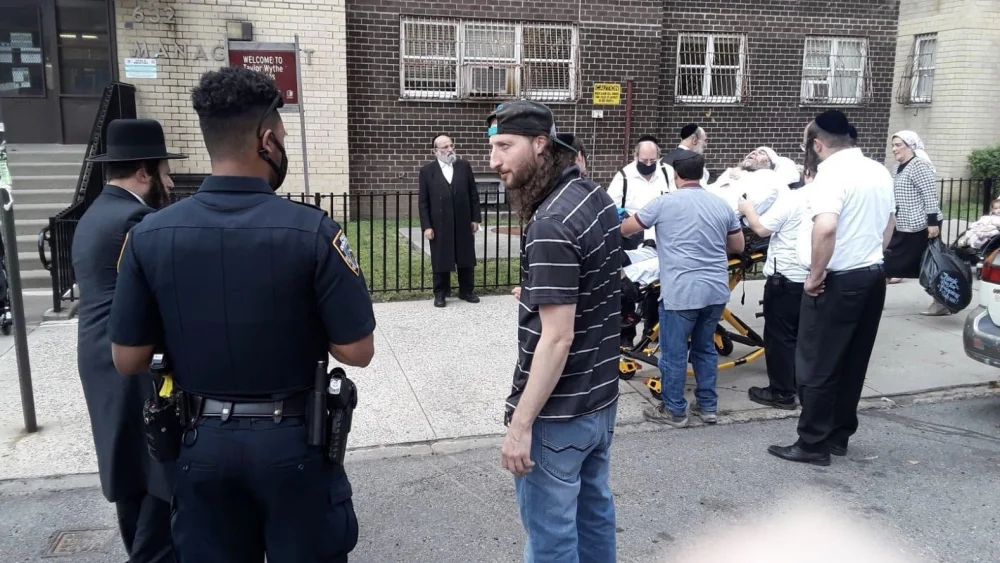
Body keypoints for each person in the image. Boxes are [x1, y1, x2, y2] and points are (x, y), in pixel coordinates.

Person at [107, 66, 376, 561]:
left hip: (197, 444)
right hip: (295, 445)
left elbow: (127, 358)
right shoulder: (314, 232)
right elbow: (357, 351)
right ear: (266, 140)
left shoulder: (148, 236)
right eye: (284, 138)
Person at [489, 100, 621, 562]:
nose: (494, 160)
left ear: (540, 145)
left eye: (505, 146)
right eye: (493, 147)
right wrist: (540, 289)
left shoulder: (548, 222)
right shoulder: (590, 194)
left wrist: (520, 426)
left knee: (551, 540)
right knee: (594, 514)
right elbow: (599, 275)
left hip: (558, 414)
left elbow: (558, 338)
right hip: (600, 402)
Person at [72, 118, 184, 563]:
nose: (171, 181)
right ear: (143, 172)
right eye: (165, 170)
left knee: (130, 475)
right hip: (132, 365)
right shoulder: (136, 219)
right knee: (158, 477)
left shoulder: (96, 212)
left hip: (100, 359)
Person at [768, 110, 895, 466]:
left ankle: (812, 444)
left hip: (837, 281)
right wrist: (872, 255)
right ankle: (839, 435)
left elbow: (825, 228)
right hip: (871, 276)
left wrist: (814, 275)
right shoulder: (878, 170)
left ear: (818, 145)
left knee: (817, 364)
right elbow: (889, 224)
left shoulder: (830, 175)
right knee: (853, 360)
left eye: (807, 141)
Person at [622, 150, 745, 428]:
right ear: (702, 175)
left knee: (675, 353)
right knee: (704, 349)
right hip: (715, 290)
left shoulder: (664, 203)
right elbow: (738, 247)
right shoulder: (721, 205)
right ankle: (708, 406)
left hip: (681, 293)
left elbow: (626, 229)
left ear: (676, 175)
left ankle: (675, 410)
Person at [738, 170, 811, 410]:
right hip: (815, 276)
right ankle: (802, 387)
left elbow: (761, 229)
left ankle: (781, 392)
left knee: (780, 337)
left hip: (787, 277)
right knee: (804, 336)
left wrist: (747, 208)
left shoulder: (794, 200)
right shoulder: (832, 198)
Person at [883, 131, 946, 314]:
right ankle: (875, 300)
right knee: (887, 263)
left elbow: (929, 194)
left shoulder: (919, 165)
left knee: (929, 264)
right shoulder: (897, 168)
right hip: (903, 224)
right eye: (893, 145)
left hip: (922, 225)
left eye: (898, 145)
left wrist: (932, 223)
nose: (894, 149)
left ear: (911, 146)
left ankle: (941, 301)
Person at [419, 134, 483, 307]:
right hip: (439, 223)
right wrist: (427, 226)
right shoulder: (427, 171)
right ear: (435, 151)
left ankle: (466, 291)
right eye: (445, 147)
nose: (450, 150)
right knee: (441, 257)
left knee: (466, 256)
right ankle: (440, 293)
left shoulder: (464, 166)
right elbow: (423, 202)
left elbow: (473, 194)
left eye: (451, 146)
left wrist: (475, 218)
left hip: (463, 220)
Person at [606, 134, 672, 247]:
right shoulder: (623, 177)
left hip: (664, 240)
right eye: (644, 161)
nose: (648, 164)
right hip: (633, 242)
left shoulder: (668, 173)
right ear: (636, 156)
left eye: (653, 161)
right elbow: (609, 210)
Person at [705, 146, 789, 217]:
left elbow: (743, 206)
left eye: (762, 153)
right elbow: (711, 189)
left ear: (769, 163)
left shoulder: (767, 176)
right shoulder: (731, 172)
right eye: (754, 151)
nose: (753, 153)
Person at [661, 123, 710, 190]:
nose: (705, 145)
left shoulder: (662, 160)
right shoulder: (694, 163)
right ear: (695, 141)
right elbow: (702, 191)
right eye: (704, 140)